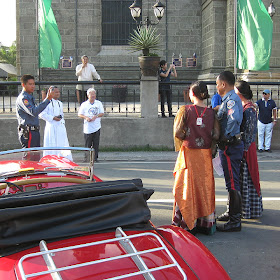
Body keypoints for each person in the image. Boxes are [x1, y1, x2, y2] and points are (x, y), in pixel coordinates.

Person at [172, 81, 220, 235]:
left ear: (192, 94)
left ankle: (186, 221)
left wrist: (189, 137)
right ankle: (205, 223)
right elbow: (217, 135)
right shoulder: (212, 113)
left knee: (187, 187)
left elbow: (178, 132)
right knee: (204, 188)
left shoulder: (185, 110)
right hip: (205, 155)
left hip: (189, 154)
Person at [216, 71, 244, 232]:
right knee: (230, 181)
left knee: (233, 182)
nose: (217, 87)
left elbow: (234, 120)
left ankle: (235, 220)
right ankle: (231, 212)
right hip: (229, 146)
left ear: (224, 84)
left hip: (230, 146)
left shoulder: (232, 100)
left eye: (218, 84)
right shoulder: (228, 99)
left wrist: (226, 138)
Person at [235, 81, 263, 219]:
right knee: (244, 179)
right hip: (246, 147)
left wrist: (241, 149)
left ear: (239, 93)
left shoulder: (249, 109)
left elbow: (249, 132)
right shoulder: (247, 107)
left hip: (246, 149)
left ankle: (248, 209)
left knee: (248, 178)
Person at [16, 74, 54, 157]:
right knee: (30, 158)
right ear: (23, 85)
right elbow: (34, 111)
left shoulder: (30, 97)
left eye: (33, 84)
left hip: (34, 131)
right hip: (28, 132)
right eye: (30, 84)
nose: (33, 86)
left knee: (35, 157)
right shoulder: (24, 98)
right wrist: (47, 99)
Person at [39, 86, 72, 160]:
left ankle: (63, 160)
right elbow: (41, 114)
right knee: (52, 145)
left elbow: (62, 115)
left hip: (60, 127)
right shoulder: (46, 103)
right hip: (51, 127)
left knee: (62, 144)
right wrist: (53, 118)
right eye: (56, 92)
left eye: (58, 92)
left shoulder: (60, 103)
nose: (57, 94)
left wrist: (60, 119)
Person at [78, 88, 104, 162]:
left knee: (96, 143)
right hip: (88, 127)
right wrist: (86, 117)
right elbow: (80, 114)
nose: (93, 96)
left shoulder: (98, 103)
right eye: (91, 94)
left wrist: (96, 116)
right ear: (88, 95)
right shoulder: (84, 104)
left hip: (96, 126)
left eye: (94, 94)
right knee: (87, 144)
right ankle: (87, 158)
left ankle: (95, 158)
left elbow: (102, 113)